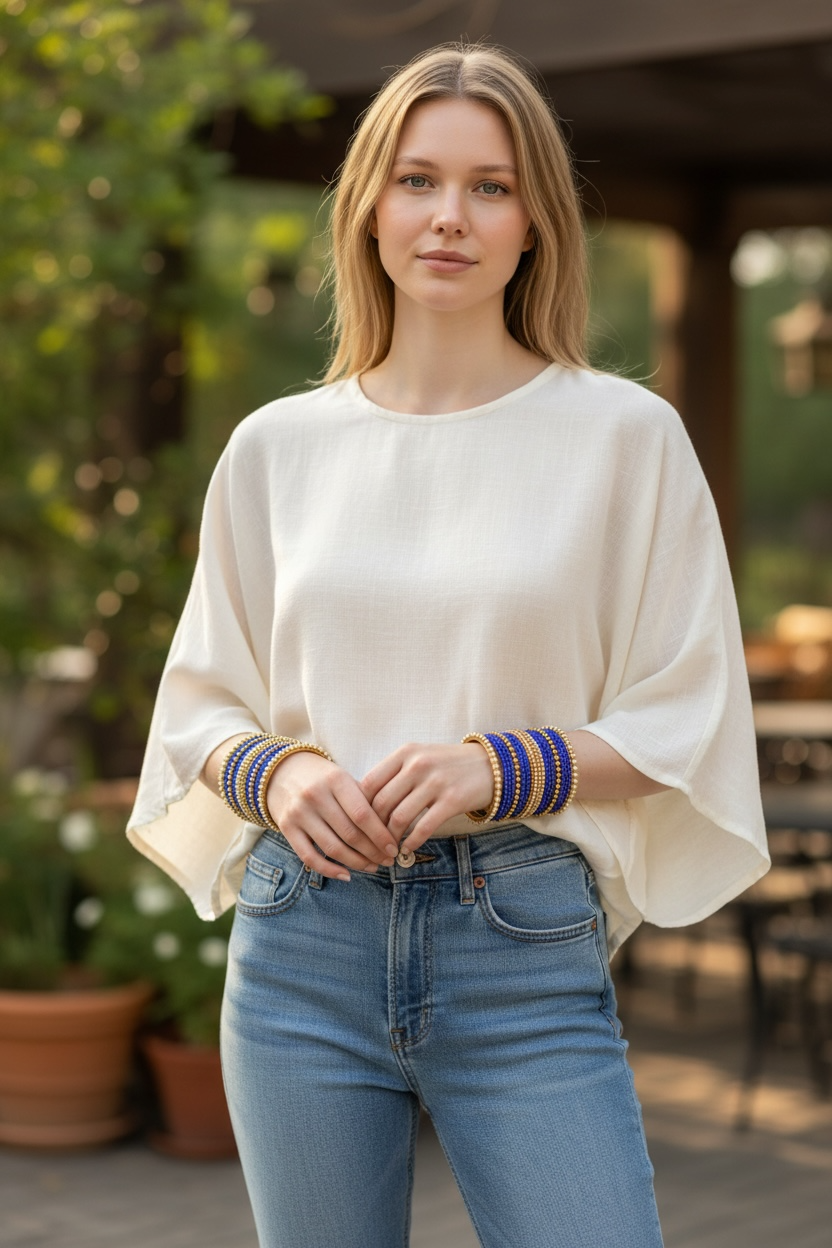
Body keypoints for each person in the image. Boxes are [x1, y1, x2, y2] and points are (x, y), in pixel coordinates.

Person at [128, 41, 769, 1248]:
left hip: (520, 943)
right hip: (298, 943)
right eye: (417, 180)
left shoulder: (624, 438)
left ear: (536, 223)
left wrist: (499, 766)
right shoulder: (276, 448)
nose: (449, 218)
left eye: (490, 186)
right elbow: (197, 711)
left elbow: (687, 717)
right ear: (369, 207)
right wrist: (285, 773)